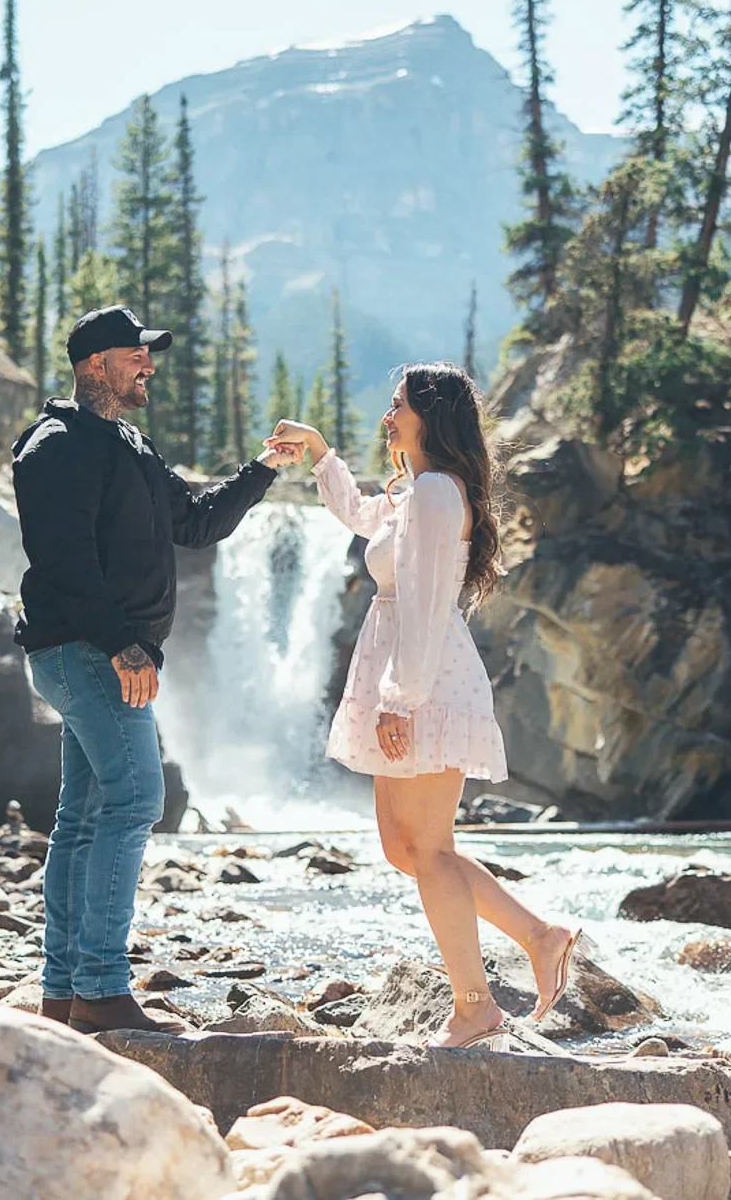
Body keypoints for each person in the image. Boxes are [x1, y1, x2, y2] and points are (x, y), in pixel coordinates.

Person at [268, 364, 579, 1050]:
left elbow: (431, 601)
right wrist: (320, 452)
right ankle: (539, 934)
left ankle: (476, 1006)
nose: (388, 416)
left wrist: (399, 697)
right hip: (401, 673)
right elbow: (358, 515)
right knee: (406, 847)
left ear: (431, 417)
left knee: (430, 849)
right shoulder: (417, 491)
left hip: (425, 680)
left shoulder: (438, 493)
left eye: (398, 406)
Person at [13, 305, 297, 1034]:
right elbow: (64, 556)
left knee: (82, 817)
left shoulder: (127, 444)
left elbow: (196, 522)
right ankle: (103, 990)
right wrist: (122, 642)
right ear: (93, 365)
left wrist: (264, 467)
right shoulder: (54, 444)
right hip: (87, 650)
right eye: (134, 354)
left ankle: (65, 994)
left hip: (98, 651)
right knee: (139, 795)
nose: (148, 364)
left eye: (149, 355)